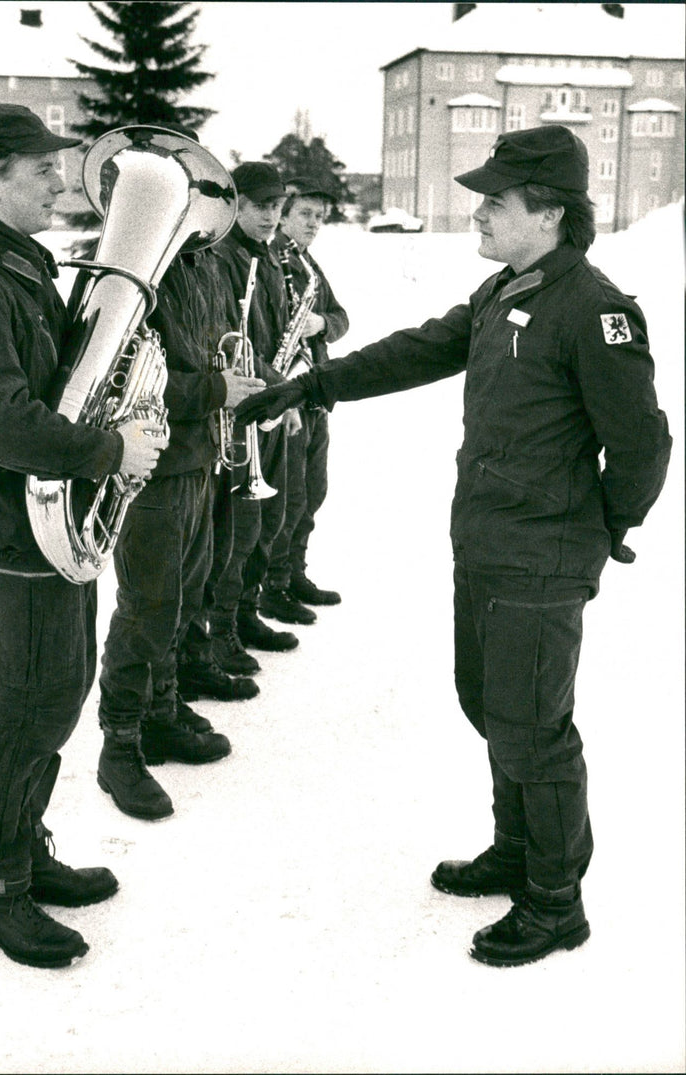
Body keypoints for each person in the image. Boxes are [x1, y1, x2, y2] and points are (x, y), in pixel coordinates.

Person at [235, 126, 672, 967]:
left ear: (547, 214)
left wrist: (603, 527)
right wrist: (316, 383)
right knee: (490, 705)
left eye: (495, 201)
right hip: (485, 542)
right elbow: (419, 350)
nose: (478, 211)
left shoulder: (595, 309)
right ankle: (517, 849)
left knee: (532, 728)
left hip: (541, 555)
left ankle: (555, 898)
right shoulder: (507, 291)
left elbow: (644, 445)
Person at [0, 104, 165, 968]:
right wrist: (111, 447)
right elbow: (3, 423)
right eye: (42, 170)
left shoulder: (18, 267)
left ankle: (28, 849)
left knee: (58, 692)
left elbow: (67, 377)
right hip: (9, 524)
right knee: (19, 712)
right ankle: (1, 894)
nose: (63, 183)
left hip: (49, 519)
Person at [93, 132, 266, 821]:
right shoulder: (137, 268)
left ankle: (163, 711)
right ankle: (121, 744)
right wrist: (218, 391)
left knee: (186, 593)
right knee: (146, 606)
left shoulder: (205, 265)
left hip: (197, 460)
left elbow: (221, 349)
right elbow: (130, 380)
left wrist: (240, 388)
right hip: (153, 465)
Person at [207, 161, 302, 673]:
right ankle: (219, 630)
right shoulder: (223, 258)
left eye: (277, 207)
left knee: (269, 518)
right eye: (262, 206)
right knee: (237, 528)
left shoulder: (266, 259)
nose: (273, 216)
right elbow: (232, 337)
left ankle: (245, 612)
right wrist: (281, 388)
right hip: (243, 406)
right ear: (235, 204)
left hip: (269, 401)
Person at [258, 175, 350, 625]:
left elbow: (341, 318)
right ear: (284, 215)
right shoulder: (271, 262)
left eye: (321, 217)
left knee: (313, 492)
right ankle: (272, 587)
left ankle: (296, 573)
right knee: (288, 497)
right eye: (306, 215)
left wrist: (321, 325)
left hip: (315, 390)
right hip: (287, 397)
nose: (315, 224)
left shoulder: (310, 266)